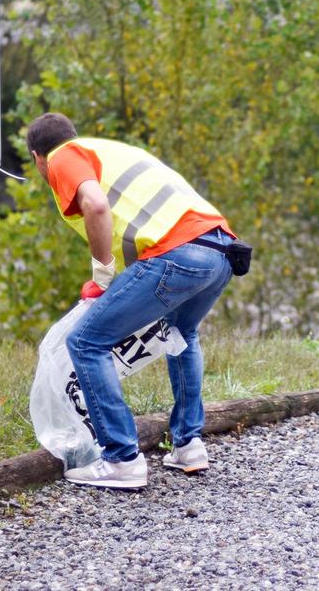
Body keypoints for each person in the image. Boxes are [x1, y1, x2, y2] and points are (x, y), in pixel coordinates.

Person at [26, 112, 240, 490]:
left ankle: (122, 458)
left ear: (36, 157)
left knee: (86, 341)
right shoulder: (107, 150)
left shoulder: (62, 155)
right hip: (221, 249)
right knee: (182, 334)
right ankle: (189, 444)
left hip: (179, 254)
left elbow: (95, 206)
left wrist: (102, 276)